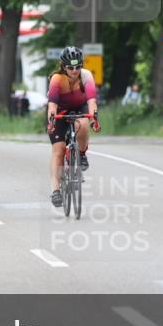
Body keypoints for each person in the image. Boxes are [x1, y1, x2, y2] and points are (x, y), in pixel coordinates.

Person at [45, 46, 100, 207]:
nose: (75, 71)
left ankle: (81, 154)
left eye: (78, 67)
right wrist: (51, 122)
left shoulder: (86, 75)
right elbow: (52, 105)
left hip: (79, 107)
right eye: (70, 67)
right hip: (59, 111)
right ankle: (56, 191)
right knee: (59, 150)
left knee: (83, 123)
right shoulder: (57, 79)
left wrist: (94, 120)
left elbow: (91, 102)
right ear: (63, 66)